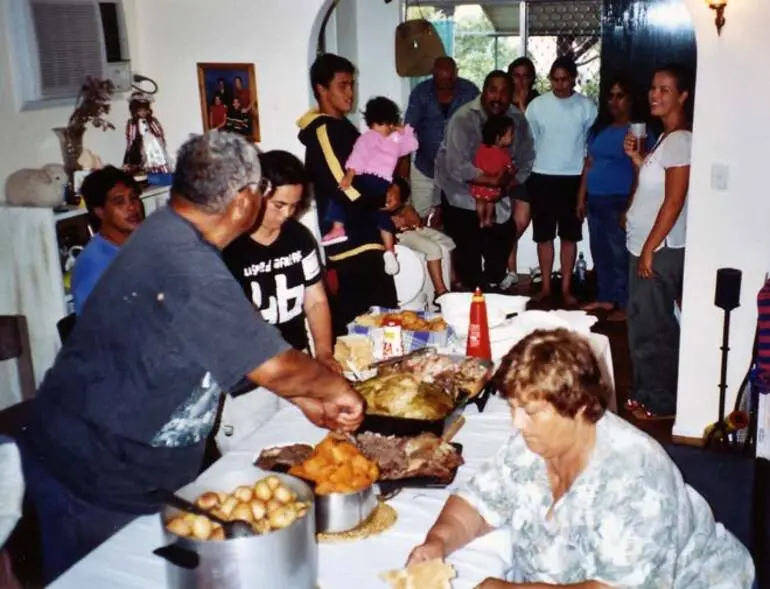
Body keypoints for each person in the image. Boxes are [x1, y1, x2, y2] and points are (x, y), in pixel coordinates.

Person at [17, 131, 365, 582]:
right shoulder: (184, 263)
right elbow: (274, 364)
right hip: (91, 475)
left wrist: (302, 398)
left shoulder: (174, 234)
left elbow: (230, 355)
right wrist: (336, 389)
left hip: (133, 469)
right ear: (243, 201)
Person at [408, 329, 755, 589]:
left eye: (530, 411)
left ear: (579, 409)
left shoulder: (634, 478)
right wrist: (438, 541)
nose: (516, 422)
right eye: (514, 408)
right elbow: (478, 502)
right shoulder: (530, 445)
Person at [220, 150, 342, 451]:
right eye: (279, 205)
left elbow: (315, 300)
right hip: (248, 376)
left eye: (295, 206)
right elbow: (244, 326)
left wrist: (323, 353)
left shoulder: (299, 237)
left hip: (295, 360)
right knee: (248, 460)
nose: (287, 214)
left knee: (303, 450)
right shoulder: (228, 246)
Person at [298, 53, 398, 334]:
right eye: (343, 85)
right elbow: (345, 186)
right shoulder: (324, 131)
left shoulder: (344, 128)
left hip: (366, 239)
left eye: (352, 85)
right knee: (361, 331)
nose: (350, 92)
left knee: (384, 324)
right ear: (321, 88)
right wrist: (384, 201)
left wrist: (395, 190)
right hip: (349, 245)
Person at [622, 64, 693, 420]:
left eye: (665, 89)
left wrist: (650, 247)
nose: (655, 94)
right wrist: (638, 161)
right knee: (641, 322)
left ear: (682, 96)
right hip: (644, 246)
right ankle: (647, 391)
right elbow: (654, 189)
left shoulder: (680, 140)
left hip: (660, 250)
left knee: (654, 326)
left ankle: (662, 402)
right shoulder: (665, 137)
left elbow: (674, 201)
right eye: (653, 87)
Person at [434, 70, 535, 292]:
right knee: (468, 259)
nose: (497, 97)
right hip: (460, 195)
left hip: (498, 197)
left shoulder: (517, 120)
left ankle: (493, 283)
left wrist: (505, 186)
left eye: (504, 92)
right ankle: (475, 301)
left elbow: (527, 160)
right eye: (492, 91)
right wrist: (492, 182)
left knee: (502, 243)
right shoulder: (463, 118)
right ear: (484, 91)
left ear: (511, 95)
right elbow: (457, 166)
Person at [577, 74, 652, 322]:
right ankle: (606, 297)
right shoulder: (600, 129)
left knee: (619, 254)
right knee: (599, 252)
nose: (614, 101)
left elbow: (641, 170)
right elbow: (589, 164)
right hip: (596, 200)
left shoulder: (638, 132)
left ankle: (624, 303)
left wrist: (629, 206)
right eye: (610, 95)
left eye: (620, 96)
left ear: (630, 100)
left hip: (619, 200)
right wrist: (581, 198)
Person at [526, 56, 597, 306]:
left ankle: (566, 288)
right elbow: (532, 138)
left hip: (573, 178)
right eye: (555, 79)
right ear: (549, 80)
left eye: (564, 79)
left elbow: (589, 142)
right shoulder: (536, 106)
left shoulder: (587, 107)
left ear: (573, 78)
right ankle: (545, 287)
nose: (560, 84)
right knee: (543, 236)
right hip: (542, 175)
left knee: (570, 236)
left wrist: (583, 187)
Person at [322, 96, 418, 277]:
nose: (389, 129)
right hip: (376, 181)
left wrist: (349, 174)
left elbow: (411, 145)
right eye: (386, 125)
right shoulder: (381, 138)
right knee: (377, 212)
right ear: (375, 122)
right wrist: (405, 130)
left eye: (391, 125)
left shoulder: (382, 138)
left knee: (345, 198)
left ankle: (339, 228)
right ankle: (388, 250)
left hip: (372, 181)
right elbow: (360, 155)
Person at [403, 57, 479, 220]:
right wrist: (403, 169)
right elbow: (407, 131)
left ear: (456, 74)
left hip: (458, 173)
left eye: (449, 81)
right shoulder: (421, 92)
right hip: (426, 168)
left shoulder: (470, 92)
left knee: (457, 220)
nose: (445, 87)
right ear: (433, 76)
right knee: (418, 217)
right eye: (440, 82)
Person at [72, 166, 143, 314]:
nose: (132, 207)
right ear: (100, 212)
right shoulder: (93, 266)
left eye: (133, 197)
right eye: (119, 201)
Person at [502, 57, 540, 289]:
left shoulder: (538, 101)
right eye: (516, 75)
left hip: (534, 167)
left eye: (525, 75)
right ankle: (510, 270)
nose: (520, 80)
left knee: (521, 221)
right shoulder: (502, 102)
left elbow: (532, 132)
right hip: (507, 168)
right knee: (509, 220)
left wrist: (525, 104)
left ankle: (499, 255)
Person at [389, 176, 455, 299]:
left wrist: (408, 217)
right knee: (433, 249)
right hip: (399, 234)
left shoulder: (397, 184)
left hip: (411, 227)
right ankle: (440, 292)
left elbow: (408, 210)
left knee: (447, 242)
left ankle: (453, 280)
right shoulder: (375, 191)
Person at [470, 115, 515, 228]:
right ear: (498, 138)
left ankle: (480, 220)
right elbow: (509, 167)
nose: (513, 137)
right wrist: (511, 170)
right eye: (510, 134)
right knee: (490, 202)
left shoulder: (480, 148)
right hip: (492, 186)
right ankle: (488, 219)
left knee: (480, 201)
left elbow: (475, 162)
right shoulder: (503, 153)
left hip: (479, 184)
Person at [123, 91, 170, 174]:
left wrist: (161, 142)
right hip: (140, 144)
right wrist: (130, 149)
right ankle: (146, 175)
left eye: (145, 110)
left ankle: (160, 173)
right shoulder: (132, 123)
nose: (143, 113)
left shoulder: (152, 121)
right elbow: (131, 137)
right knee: (142, 160)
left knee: (157, 158)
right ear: (135, 111)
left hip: (153, 144)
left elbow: (159, 132)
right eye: (140, 111)